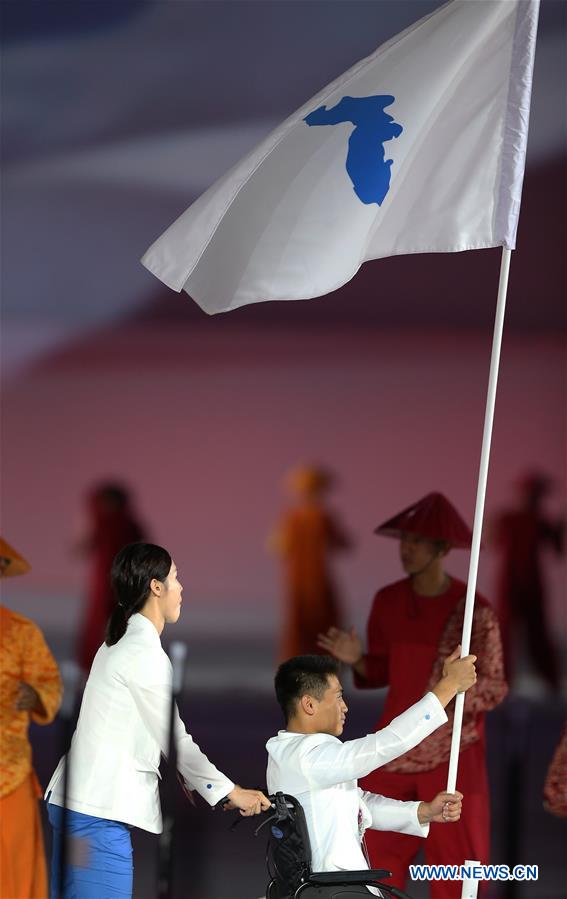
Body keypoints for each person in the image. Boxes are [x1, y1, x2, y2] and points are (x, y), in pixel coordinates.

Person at [45, 542, 270, 898]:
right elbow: (173, 738)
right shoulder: (143, 654)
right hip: (95, 817)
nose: (181, 589)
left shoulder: (118, 643)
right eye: (176, 578)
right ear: (156, 586)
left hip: (78, 808)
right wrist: (229, 790)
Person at [318, 493, 508, 898]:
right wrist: (358, 660)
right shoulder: (387, 601)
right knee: (372, 851)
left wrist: (455, 686)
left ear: (441, 549)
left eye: (417, 542)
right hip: (397, 742)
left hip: (453, 751)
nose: (406, 549)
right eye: (404, 540)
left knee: (456, 866)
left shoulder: (474, 610)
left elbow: (495, 686)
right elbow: (383, 671)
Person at [266, 652, 476, 892]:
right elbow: (384, 745)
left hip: (333, 890)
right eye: (338, 697)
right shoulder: (303, 756)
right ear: (309, 704)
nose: (345, 707)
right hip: (333, 891)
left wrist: (423, 811)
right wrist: (447, 688)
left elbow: (358, 806)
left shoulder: (295, 756)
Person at [0, 537, 62, 899]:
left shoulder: (21, 631)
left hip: (10, 769)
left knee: (17, 866)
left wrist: (36, 696)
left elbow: (47, 680)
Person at [269, 464, 352, 661]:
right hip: (314, 579)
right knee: (322, 625)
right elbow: (344, 543)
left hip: (300, 579)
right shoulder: (321, 517)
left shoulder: (293, 518)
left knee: (302, 627)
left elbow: (277, 547)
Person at [492, 471, 564, 692]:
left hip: (526, 585)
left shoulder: (533, 521)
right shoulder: (515, 519)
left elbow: (557, 550)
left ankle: (549, 684)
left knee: (534, 635)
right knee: (508, 636)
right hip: (514, 584)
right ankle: (505, 684)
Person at [76, 482, 146, 673]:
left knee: (120, 620)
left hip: (119, 581)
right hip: (108, 581)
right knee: (104, 621)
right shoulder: (109, 523)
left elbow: (80, 549)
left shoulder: (119, 524)